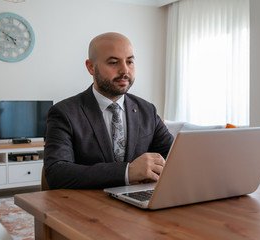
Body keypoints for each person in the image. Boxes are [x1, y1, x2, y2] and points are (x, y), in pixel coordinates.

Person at [44, 32, 174, 189]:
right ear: (91, 67)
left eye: (130, 62)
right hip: (87, 206)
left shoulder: (147, 110)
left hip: (139, 203)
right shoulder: (64, 113)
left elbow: (173, 155)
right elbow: (57, 173)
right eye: (114, 63)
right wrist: (127, 172)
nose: (125, 71)